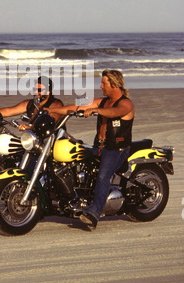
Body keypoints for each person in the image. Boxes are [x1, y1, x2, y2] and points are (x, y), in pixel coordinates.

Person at [46, 70, 134, 229]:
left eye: (104, 83)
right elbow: (77, 106)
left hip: (117, 149)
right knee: (75, 159)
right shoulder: (102, 102)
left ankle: (94, 213)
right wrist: (52, 111)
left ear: (114, 84)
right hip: (100, 147)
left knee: (103, 176)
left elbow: (115, 112)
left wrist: (95, 110)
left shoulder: (126, 103)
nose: (101, 86)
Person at [0, 76, 64, 130]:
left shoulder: (56, 104)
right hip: (34, 141)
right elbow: (9, 111)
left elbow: (50, 122)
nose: (36, 92)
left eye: (39, 90)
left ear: (48, 92)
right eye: (34, 89)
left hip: (54, 140)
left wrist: (30, 127)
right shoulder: (30, 104)